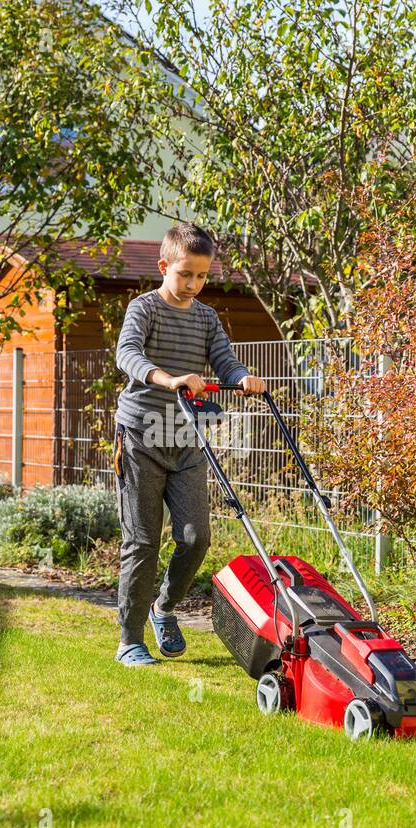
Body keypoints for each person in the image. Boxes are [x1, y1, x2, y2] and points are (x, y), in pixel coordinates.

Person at [112, 222, 267, 666]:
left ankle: (164, 608)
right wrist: (169, 377)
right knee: (142, 541)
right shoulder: (144, 309)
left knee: (196, 537)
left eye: (202, 276)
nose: (194, 285)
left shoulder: (205, 317)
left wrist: (241, 379)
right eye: (186, 275)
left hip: (185, 438)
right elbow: (128, 355)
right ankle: (129, 639)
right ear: (164, 266)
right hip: (140, 436)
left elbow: (224, 359)